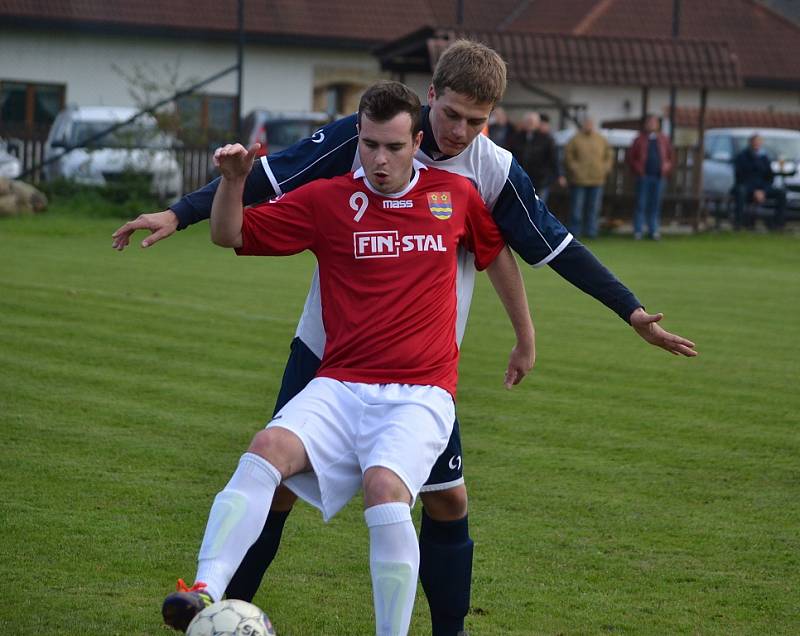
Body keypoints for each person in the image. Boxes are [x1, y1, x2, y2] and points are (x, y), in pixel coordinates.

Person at [113, 40, 697, 636]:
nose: (462, 131)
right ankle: (217, 614)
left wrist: (628, 311)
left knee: (445, 500)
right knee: (279, 484)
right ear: (430, 99)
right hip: (327, 353)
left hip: (422, 367)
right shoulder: (367, 137)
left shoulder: (487, 170)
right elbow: (266, 177)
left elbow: (545, 245)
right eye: (452, 116)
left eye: (478, 120)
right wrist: (180, 212)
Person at [161, 80, 534, 635]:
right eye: (370, 145)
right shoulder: (328, 200)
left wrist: (525, 337)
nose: (380, 160)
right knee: (266, 451)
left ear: (417, 143)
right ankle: (204, 592)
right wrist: (233, 183)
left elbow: (495, 254)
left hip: (420, 393)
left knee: (387, 488)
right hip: (338, 384)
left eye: (394, 147)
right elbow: (228, 233)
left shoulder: (452, 197)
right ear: (358, 139)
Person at [564, 117, 613, 239]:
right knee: (577, 208)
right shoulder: (575, 139)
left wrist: (604, 168)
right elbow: (568, 156)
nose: (589, 126)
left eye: (591, 124)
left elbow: (609, 155)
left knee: (594, 207)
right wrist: (575, 168)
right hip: (579, 179)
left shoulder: (601, 139)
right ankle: (575, 231)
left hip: (597, 178)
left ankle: (591, 231)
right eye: (587, 124)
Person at [627, 115, 674, 240]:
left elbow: (670, 157)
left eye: (655, 122)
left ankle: (654, 230)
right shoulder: (639, 139)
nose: (652, 124)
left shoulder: (664, 139)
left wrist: (666, 168)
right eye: (650, 122)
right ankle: (638, 231)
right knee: (641, 204)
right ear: (646, 124)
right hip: (643, 177)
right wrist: (638, 170)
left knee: (655, 205)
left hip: (659, 177)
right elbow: (632, 158)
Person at [733, 133, 787, 231]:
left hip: (762, 189)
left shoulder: (764, 158)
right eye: (755, 142)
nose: (756, 144)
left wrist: (763, 191)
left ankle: (778, 224)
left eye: (759, 142)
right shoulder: (742, 157)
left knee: (781, 193)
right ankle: (739, 223)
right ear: (750, 143)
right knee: (740, 192)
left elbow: (770, 178)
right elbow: (740, 177)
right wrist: (754, 191)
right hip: (747, 188)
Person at [510, 111, 562, 204]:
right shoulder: (516, 137)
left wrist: (558, 175)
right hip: (521, 179)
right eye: (528, 121)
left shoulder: (546, 138)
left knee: (538, 206)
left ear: (538, 123)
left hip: (541, 180)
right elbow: (511, 155)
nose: (530, 124)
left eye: (532, 122)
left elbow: (554, 158)